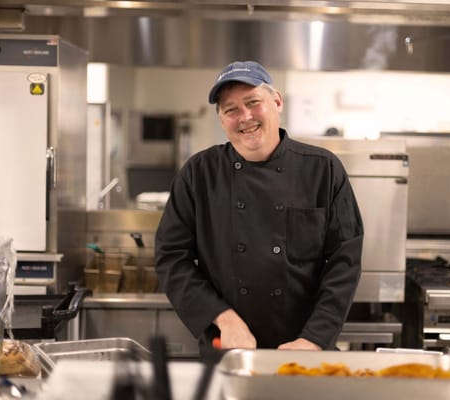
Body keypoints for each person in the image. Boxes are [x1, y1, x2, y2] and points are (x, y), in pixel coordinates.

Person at [154, 60, 363, 355]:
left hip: (304, 348)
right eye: (231, 109)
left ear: (276, 101)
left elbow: (345, 262)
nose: (245, 117)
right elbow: (172, 258)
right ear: (222, 119)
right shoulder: (198, 174)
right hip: (228, 349)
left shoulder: (323, 170)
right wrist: (223, 319)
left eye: (253, 102)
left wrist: (315, 338)